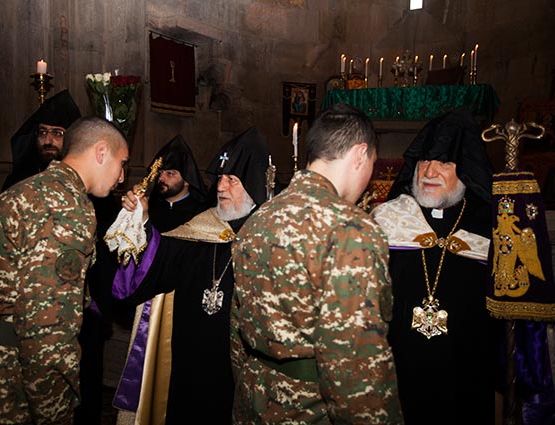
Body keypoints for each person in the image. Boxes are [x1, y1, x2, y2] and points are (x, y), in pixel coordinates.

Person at [0, 117, 129, 425]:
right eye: (122, 163)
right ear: (102, 152)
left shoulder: (29, 189)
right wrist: (56, 413)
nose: (121, 178)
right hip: (5, 386)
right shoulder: (65, 207)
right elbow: (46, 328)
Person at [230, 103, 403, 424]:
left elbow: (237, 326)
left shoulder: (257, 219)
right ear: (360, 155)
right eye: (373, 165)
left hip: (252, 398)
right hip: (311, 408)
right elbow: (353, 361)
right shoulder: (352, 229)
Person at [105, 127, 270, 424]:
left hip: (240, 375)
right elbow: (157, 263)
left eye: (232, 180)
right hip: (188, 366)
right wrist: (142, 221)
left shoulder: (270, 239)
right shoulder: (199, 230)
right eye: (219, 178)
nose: (220, 187)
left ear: (255, 185)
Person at [371, 107, 496, 424]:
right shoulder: (389, 219)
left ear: (465, 169)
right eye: (424, 161)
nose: (429, 171)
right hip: (399, 374)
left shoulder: (490, 225)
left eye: (444, 162)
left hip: (464, 376)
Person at [2, 89, 82, 191]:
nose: (47, 141)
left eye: (57, 133)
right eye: (42, 132)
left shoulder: (83, 179)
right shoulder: (20, 179)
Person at [147, 134, 208, 233]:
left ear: (187, 180)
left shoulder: (201, 214)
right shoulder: (149, 209)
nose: (161, 178)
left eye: (170, 174)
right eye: (160, 172)